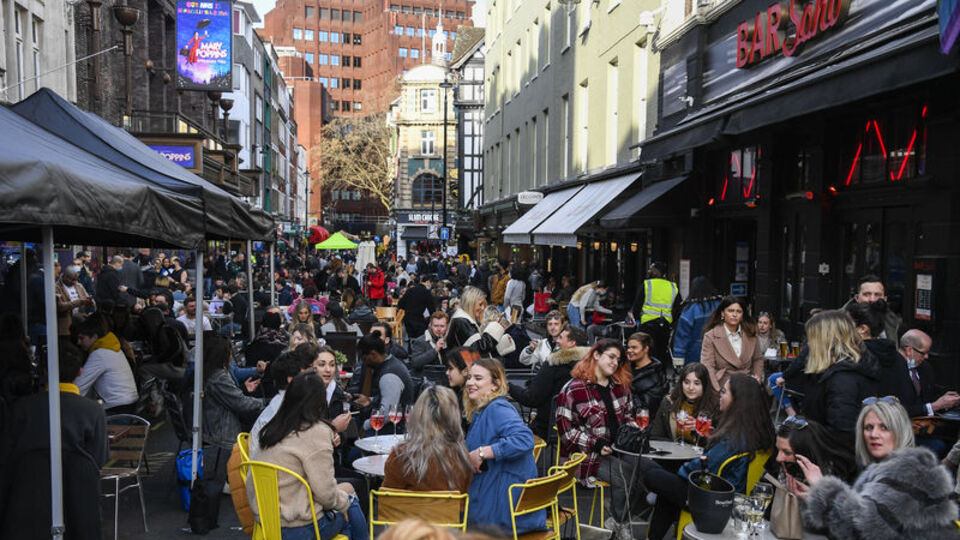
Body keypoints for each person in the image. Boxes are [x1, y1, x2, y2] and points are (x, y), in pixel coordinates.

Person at [796, 398, 958, 539]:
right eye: (869, 427)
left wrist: (822, 487)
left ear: (899, 431)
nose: (874, 434)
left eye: (884, 428)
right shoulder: (880, 469)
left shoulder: (913, 473)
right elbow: (851, 526)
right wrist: (814, 497)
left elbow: (865, 529)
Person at [638, 374, 775, 540]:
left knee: (653, 475)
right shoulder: (759, 433)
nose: (720, 395)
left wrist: (684, 469)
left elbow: (695, 470)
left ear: (737, 400)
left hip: (714, 498)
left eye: (724, 392)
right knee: (668, 490)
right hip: (735, 495)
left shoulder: (733, 439)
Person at [0, 341, 108, 540]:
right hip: (79, 503)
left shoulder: (22, 408)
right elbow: (99, 459)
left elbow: (7, 456)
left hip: (25, 502)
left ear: (45, 372)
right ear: (80, 372)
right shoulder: (93, 411)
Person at [251, 371, 368, 540]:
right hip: (300, 526)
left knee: (346, 494)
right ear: (320, 402)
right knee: (350, 503)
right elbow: (326, 495)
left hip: (268, 521)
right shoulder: (316, 432)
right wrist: (344, 501)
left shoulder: (271, 428)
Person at [555, 339, 638, 535]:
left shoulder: (620, 387)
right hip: (586, 458)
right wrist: (596, 443)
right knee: (629, 479)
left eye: (618, 360)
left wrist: (633, 433)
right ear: (596, 355)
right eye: (611, 356)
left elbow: (628, 417)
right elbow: (566, 433)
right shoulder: (573, 389)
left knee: (649, 475)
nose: (615, 363)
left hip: (619, 451)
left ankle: (616, 519)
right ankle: (619, 523)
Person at [463, 357, 544, 534]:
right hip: (501, 503)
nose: (470, 382)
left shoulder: (497, 408)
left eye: (478, 378)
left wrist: (484, 452)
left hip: (503, 513)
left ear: (495, 384)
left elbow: (524, 439)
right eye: (469, 377)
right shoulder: (483, 409)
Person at [801, 310, 880, 443]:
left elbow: (842, 434)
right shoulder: (838, 372)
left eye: (811, 338)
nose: (808, 344)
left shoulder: (842, 380)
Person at [383, 385, 473, 492]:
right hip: (447, 509)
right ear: (453, 416)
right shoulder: (462, 458)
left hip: (409, 508)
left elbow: (387, 500)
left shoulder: (400, 456)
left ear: (417, 414)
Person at [509, 324, 588, 439]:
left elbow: (531, 398)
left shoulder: (553, 364)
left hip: (548, 429)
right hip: (580, 430)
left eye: (561, 338)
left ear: (572, 343)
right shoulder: (590, 366)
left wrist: (508, 387)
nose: (556, 340)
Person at [203, 333, 264, 480]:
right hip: (222, 431)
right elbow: (240, 403)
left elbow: (231, 397)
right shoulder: (219, 377)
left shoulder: (213, 371)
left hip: (216, 425)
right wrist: (266, 403)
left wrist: (243, 389)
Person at [73, 317, 139, 414]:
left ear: (94, 337)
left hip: (116, 409)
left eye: (82, 338)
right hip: (128, 404)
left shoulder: (99, 354)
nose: (78, 342)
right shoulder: (111, 347)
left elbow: (79, 387)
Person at [348, 335, 414, 432]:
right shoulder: (391, 364)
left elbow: (387, 414)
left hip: (393, 430)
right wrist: (371, 400)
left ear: (373, 354)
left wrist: (364, 426)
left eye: (364, 358)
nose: (364, 363)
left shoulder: (389, 376)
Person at [773, 416, 857, 489]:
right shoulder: (788, 467)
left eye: (787, 452)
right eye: (778, 450)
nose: (778, 458)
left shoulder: (834, 481)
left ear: (806, 454)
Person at [700, 296, 764, 391]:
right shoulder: (711, 336)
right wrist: (717, 390)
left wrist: (757, 379)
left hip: (747, 386)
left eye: (738, 311)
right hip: (723, 386)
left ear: (742, 315)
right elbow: (708, 366)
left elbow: (758, 358)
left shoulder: (751, 334)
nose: (734, 314)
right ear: (723, 313)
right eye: (730, 311)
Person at [651, 363, 719, 444]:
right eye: (686, 382)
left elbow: (720, 444)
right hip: (674, 454)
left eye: (696, 383)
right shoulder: (669, 402)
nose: (690, 388)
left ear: (704, 385)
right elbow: (655, 436)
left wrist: (702, 432)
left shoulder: (716, 406)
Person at [628, 262, 681, 364]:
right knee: (661, 353)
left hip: (647, 325)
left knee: (645, 353)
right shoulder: (673, 287)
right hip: (664, 325)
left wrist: (637, 317)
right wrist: (671, 321)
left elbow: (637, 306)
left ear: (657, 271)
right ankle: (660, 375)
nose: (649, 271)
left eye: (651, 269)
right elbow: (678, 308)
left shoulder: (647, 284)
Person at [671, 276, 721, 365]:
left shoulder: (690, 310)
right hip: (718, 351)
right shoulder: (720, 307)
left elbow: (682, 337)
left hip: (695, 355)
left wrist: (678, 361)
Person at [446, 286, 507, 356]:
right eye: (480, 304)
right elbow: (477, 349)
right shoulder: (462, 321)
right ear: (471, 303)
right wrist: (494, 331)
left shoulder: (464, 320)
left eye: (483, 305)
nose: (483, 308)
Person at [841, 274, 900, 340]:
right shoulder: (839, 321)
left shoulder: (891, 320)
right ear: (857, 298)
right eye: (866, 294)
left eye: (877, 295)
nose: (872, 299)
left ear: (885, 299)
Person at [407, 311, 449, 378]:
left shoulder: (448, 339)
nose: (439, 329)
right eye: (435, 326)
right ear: (430, 326)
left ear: (447, 326)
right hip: (427, 380)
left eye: (442, 326)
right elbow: (415, 363)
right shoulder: (420, 341)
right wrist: (435, 350)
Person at [55, 265, 95, 335]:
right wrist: (79, 302)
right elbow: (60, 306)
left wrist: (90, 302)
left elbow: (88, 298)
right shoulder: (57, 287)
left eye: (76, 279)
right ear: (64, 276)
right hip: (65, 325)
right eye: (72, 279)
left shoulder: (79, 286)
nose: (74, 282)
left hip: (80, 323)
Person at [397, 274, 436, 338]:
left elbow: (401, 304)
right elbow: (431, 308)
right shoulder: (426, 292)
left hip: (408, 318)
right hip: (419, 319)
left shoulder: (410, 290)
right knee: (419, 340)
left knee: (410, 338)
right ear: (427, 282)